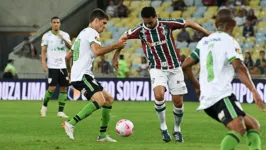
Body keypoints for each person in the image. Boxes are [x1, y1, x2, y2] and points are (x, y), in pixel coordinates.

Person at [112, 6, 211, 142]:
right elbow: (123, 38)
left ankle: (177, 129)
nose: (148, 25)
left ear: (155, 16)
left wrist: (207, 33)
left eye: (150, 22)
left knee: (178, 102)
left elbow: (188, 23)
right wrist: (115, 56)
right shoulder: (140, 30)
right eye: (145, 22)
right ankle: (163, 128)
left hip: (174, 67)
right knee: (159, 95)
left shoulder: (167, 24)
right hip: (156, 67)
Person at [182, 9, 265, 150]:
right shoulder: (229, 41)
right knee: (238, 129)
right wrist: (254, 91)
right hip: (221, 95)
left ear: (215, 24)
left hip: (208, 98)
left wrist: (197, 86)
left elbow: (185, 65)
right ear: (233, 23)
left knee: (253, 125)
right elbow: (239, 68)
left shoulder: (204, 42)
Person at [63, 9, 126, 141]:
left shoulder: (82, 34)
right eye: (103, 23)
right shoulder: (92, 33)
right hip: (82, 75)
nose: (104, 27)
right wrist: (116, 45)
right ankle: (70, 123)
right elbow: (96, 52)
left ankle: (102, 136)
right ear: (95, 21)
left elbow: (67, 56)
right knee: (99, 101)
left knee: (108, 99)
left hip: (81, 74)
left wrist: (69, 72)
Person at [40, 16, 72, 118]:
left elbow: (71, 48)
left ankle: (60, 111)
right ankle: (44, 107)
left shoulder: (65, 35)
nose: (56, 24)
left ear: (60, 24)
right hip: (52, 66)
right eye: (54, 22)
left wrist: (63, 39)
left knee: (64, 88)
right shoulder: (46, 36)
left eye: (57, 22)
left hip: (63, 66)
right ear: (51, 24)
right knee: (52, 88)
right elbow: (43, 51)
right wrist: (43, 63)